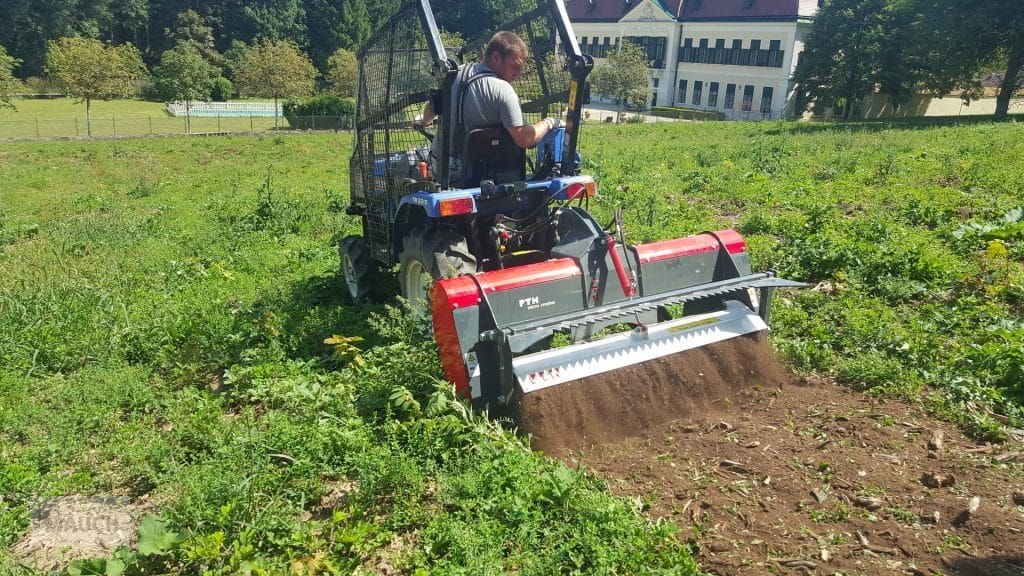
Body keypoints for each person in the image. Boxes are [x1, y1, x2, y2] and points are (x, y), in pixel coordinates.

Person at [421, 31, 562, 183]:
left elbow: (430, 112)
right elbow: (524, 139)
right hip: (478, 174)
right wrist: (548, 123)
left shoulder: (451, 75)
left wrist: (423, 123)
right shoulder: (502, 89)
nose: (518, 74)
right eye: (515, 67)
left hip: (441, 169)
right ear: (496, 57)